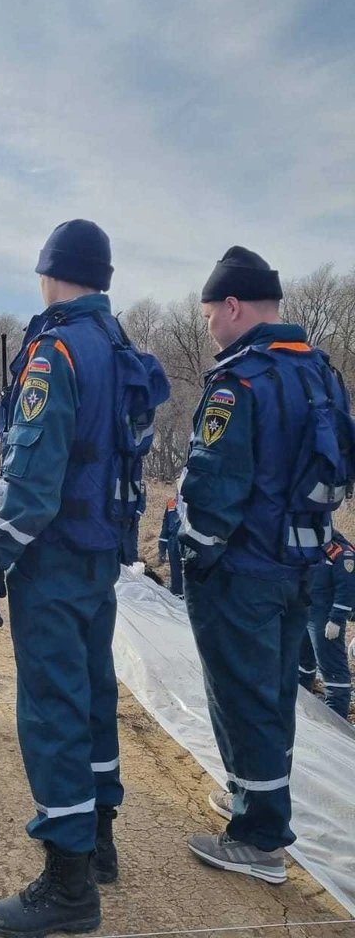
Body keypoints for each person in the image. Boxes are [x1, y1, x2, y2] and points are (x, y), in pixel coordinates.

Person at [0, 220, 168, 938]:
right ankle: (101, 841)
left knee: (53, 706)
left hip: (52, 555)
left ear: (49, 273)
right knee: (90, 696)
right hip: (99, 552)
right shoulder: (120, 348)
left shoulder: (56, 349)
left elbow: (33, 469)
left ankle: (67, 884)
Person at [178, 246, 354, 884]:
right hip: (301, 565)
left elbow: (213, 485)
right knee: (274, 693)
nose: (209, 330)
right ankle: (255, 798)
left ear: (232, 306)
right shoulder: (320, 371)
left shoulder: (242, 380)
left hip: (243, 570)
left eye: (207, 318)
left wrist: (192, 552)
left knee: (243, 696)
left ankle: (258, 840)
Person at [298, 530, 354, 718]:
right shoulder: (312, 548)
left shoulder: (341, 553)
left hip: (325, 619)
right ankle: (302, 711)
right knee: (302, 664)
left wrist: (337, 619)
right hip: (305, 613)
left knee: (332, 670)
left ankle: (336, 720)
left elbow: (347, 588)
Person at [158, 496, 183, 596]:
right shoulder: (171, 504)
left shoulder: (194, 501)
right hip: (173, 542)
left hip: (188, 541)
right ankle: (177, 593)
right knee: (175, 570)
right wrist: (162, 550)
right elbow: (165, 528)